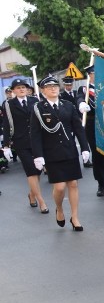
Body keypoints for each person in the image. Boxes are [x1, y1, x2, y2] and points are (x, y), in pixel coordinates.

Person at [30, 75, 89, 230]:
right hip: (52, 153)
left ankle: (75, 217)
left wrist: (84, 148)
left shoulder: (68, 105)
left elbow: (78, 128)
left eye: (55, 86)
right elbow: (35, 134)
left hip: (69, 149)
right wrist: (38, 155)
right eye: (49, 87)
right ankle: (60, 208)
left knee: (73, 184)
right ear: (43, 91)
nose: (53, 88)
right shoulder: (39, 108)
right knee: (60, 187)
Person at [2, 78, 49, 213]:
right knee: (31, 171)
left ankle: (32, 194)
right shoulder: (9, 104)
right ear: (13, 91)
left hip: (37, 141)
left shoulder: (35, 101)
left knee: (38, 169)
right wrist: (6, 145)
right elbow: (6, 124)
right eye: (18, 88)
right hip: (21, 142)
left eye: (23, 87)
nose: (21, 89)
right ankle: (41, 201)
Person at [77, 65, 104, 198]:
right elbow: (79, 97)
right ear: (89, 74)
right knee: (97, 156)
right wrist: (81, 103)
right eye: (94, 73)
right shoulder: (85, 88)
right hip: (93, 124)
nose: (97, 75)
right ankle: (101, 184)